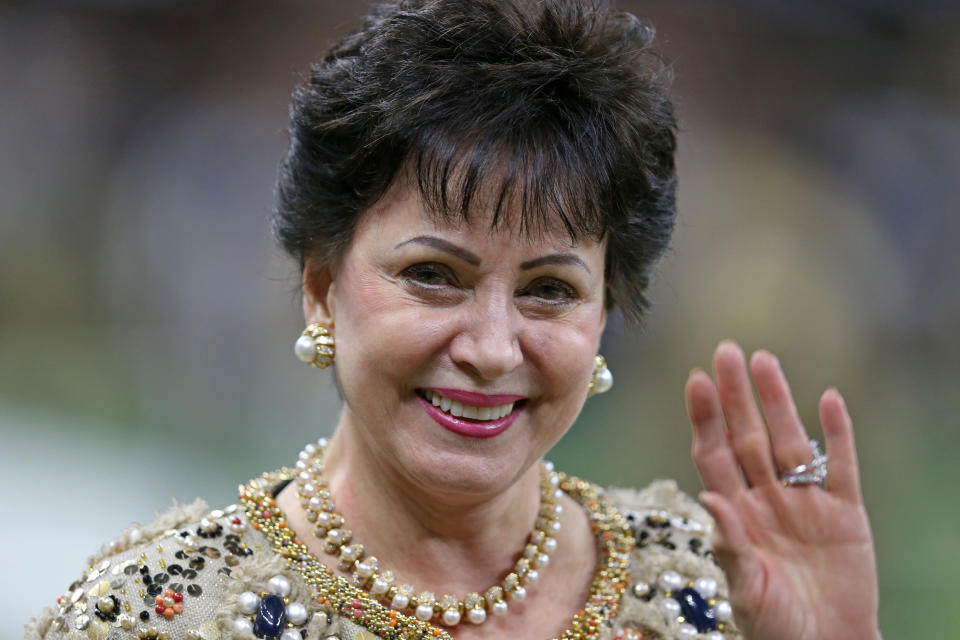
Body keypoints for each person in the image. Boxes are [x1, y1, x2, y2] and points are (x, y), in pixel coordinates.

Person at [26, 1, 880, 639]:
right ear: (322, 287)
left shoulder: (711, 586)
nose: (491, 348)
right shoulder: (154, 615)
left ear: (606, 312)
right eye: (433, 276)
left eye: (550, 289)